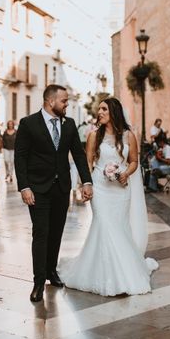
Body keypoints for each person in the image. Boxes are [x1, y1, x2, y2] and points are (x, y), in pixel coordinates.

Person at [58, 97, 158, 296]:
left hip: (121, 189)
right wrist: (85, 185)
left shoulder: (129, 135)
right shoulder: (94, 135)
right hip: (100, 188)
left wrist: (125, 174)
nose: (100, 112)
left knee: (119, 227)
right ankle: (105, 275)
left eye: (104, 109)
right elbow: (87, 162)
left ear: (114, 112)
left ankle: (123, 272)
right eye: (99, 109)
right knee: (103, 224)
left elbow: (133, 161)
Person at [14, 84, 93, 302]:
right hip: (37, 189)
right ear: (50, 102)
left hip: (61, 189)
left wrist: (86, 181)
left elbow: (78, 154)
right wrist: (24, 187)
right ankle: (38, 282)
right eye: (64, 101)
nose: (67, 104)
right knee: (41, 233)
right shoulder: (28, 123)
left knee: (56, 232)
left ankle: (51, 272)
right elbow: (20, 157)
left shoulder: (69, 125)